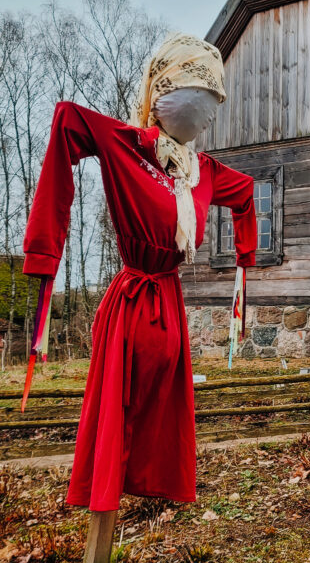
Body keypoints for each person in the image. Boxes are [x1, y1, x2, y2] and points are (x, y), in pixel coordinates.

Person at [22, 32, 256, 511]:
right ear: (168, 98)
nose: (212, 115)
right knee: (117, 412)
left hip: (170, 302)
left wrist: (243, 268)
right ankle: (103, 510)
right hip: (131, 302)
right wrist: (45, 256)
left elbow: (248, 192)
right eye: (205, 100)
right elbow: (68, 122)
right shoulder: (125, 145)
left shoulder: (202, 171)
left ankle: (150, 488)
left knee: (163, 423)